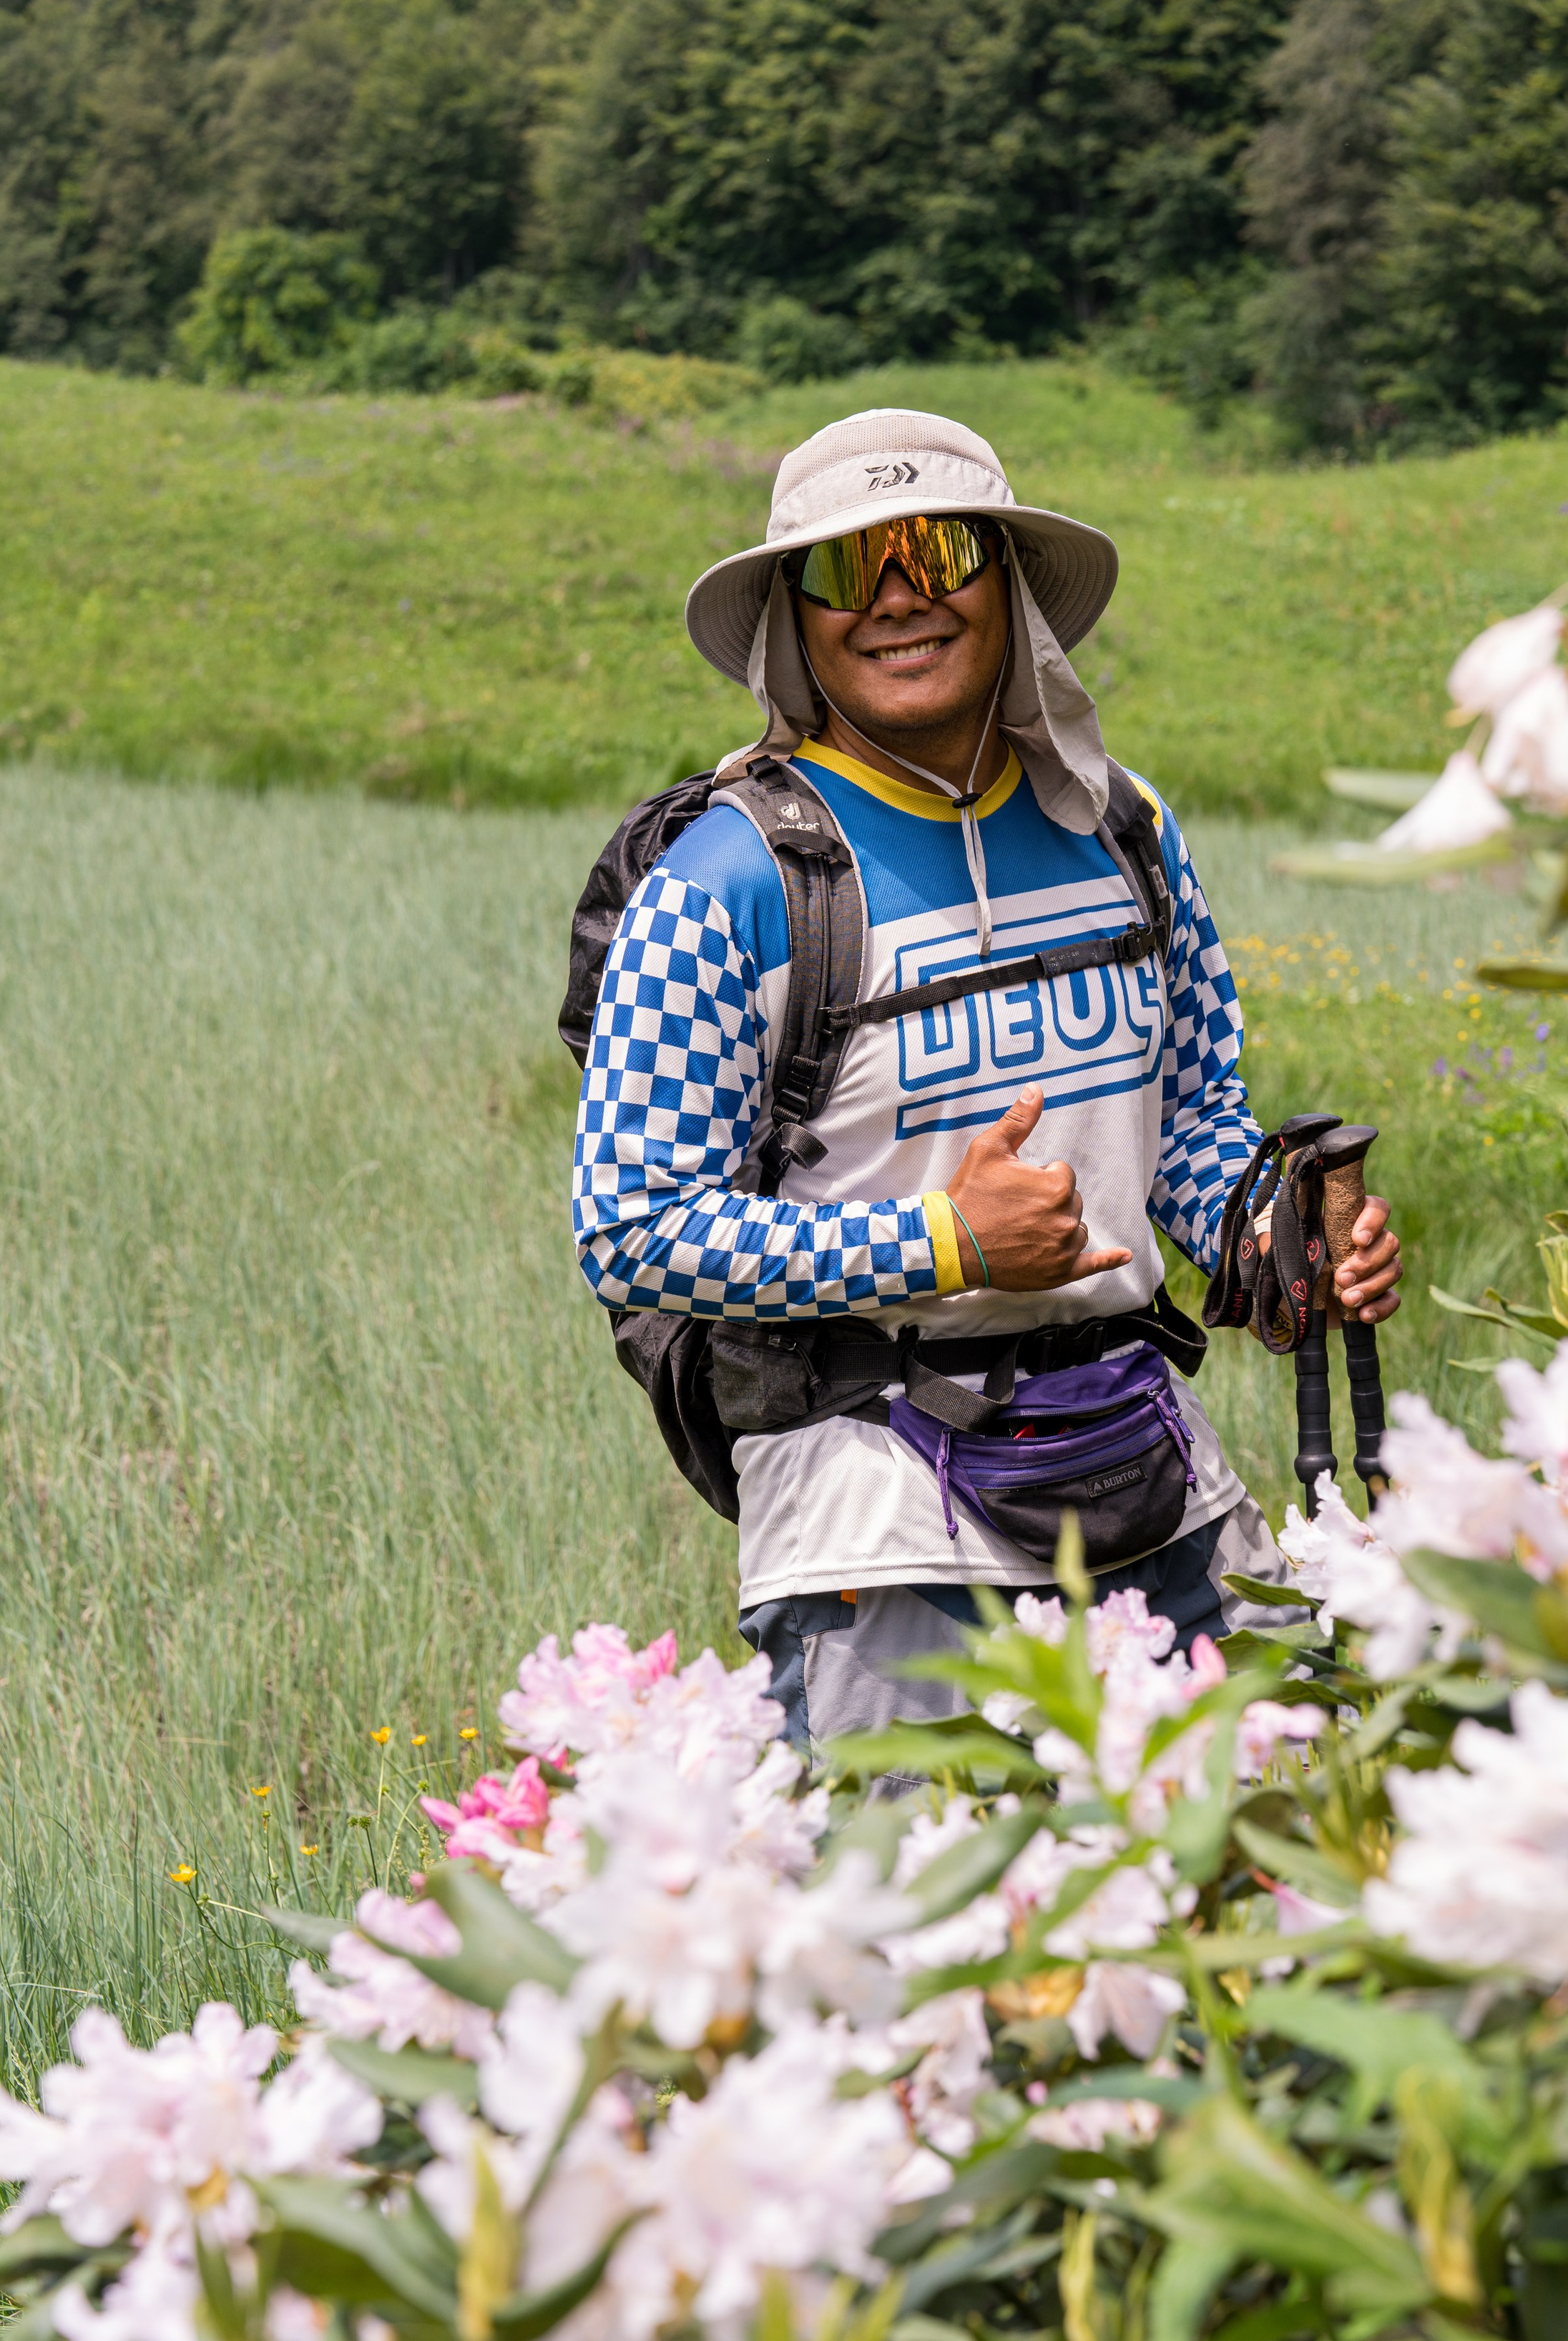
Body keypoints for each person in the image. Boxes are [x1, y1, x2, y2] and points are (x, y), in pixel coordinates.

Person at [570, 409, 1402, 1749]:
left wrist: (1278, 1235)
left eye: (939, 550)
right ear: (793, 620)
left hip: (1146, 1464)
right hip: (873, 1520)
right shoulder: (724, 884)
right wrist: (948, 1244)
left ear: (1005, 581)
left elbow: (1192, 1124)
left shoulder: (1124, 828)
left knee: (1287, 1837)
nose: (899, 596)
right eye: (849, 567)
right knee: (924, 1895)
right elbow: (631, 1227)